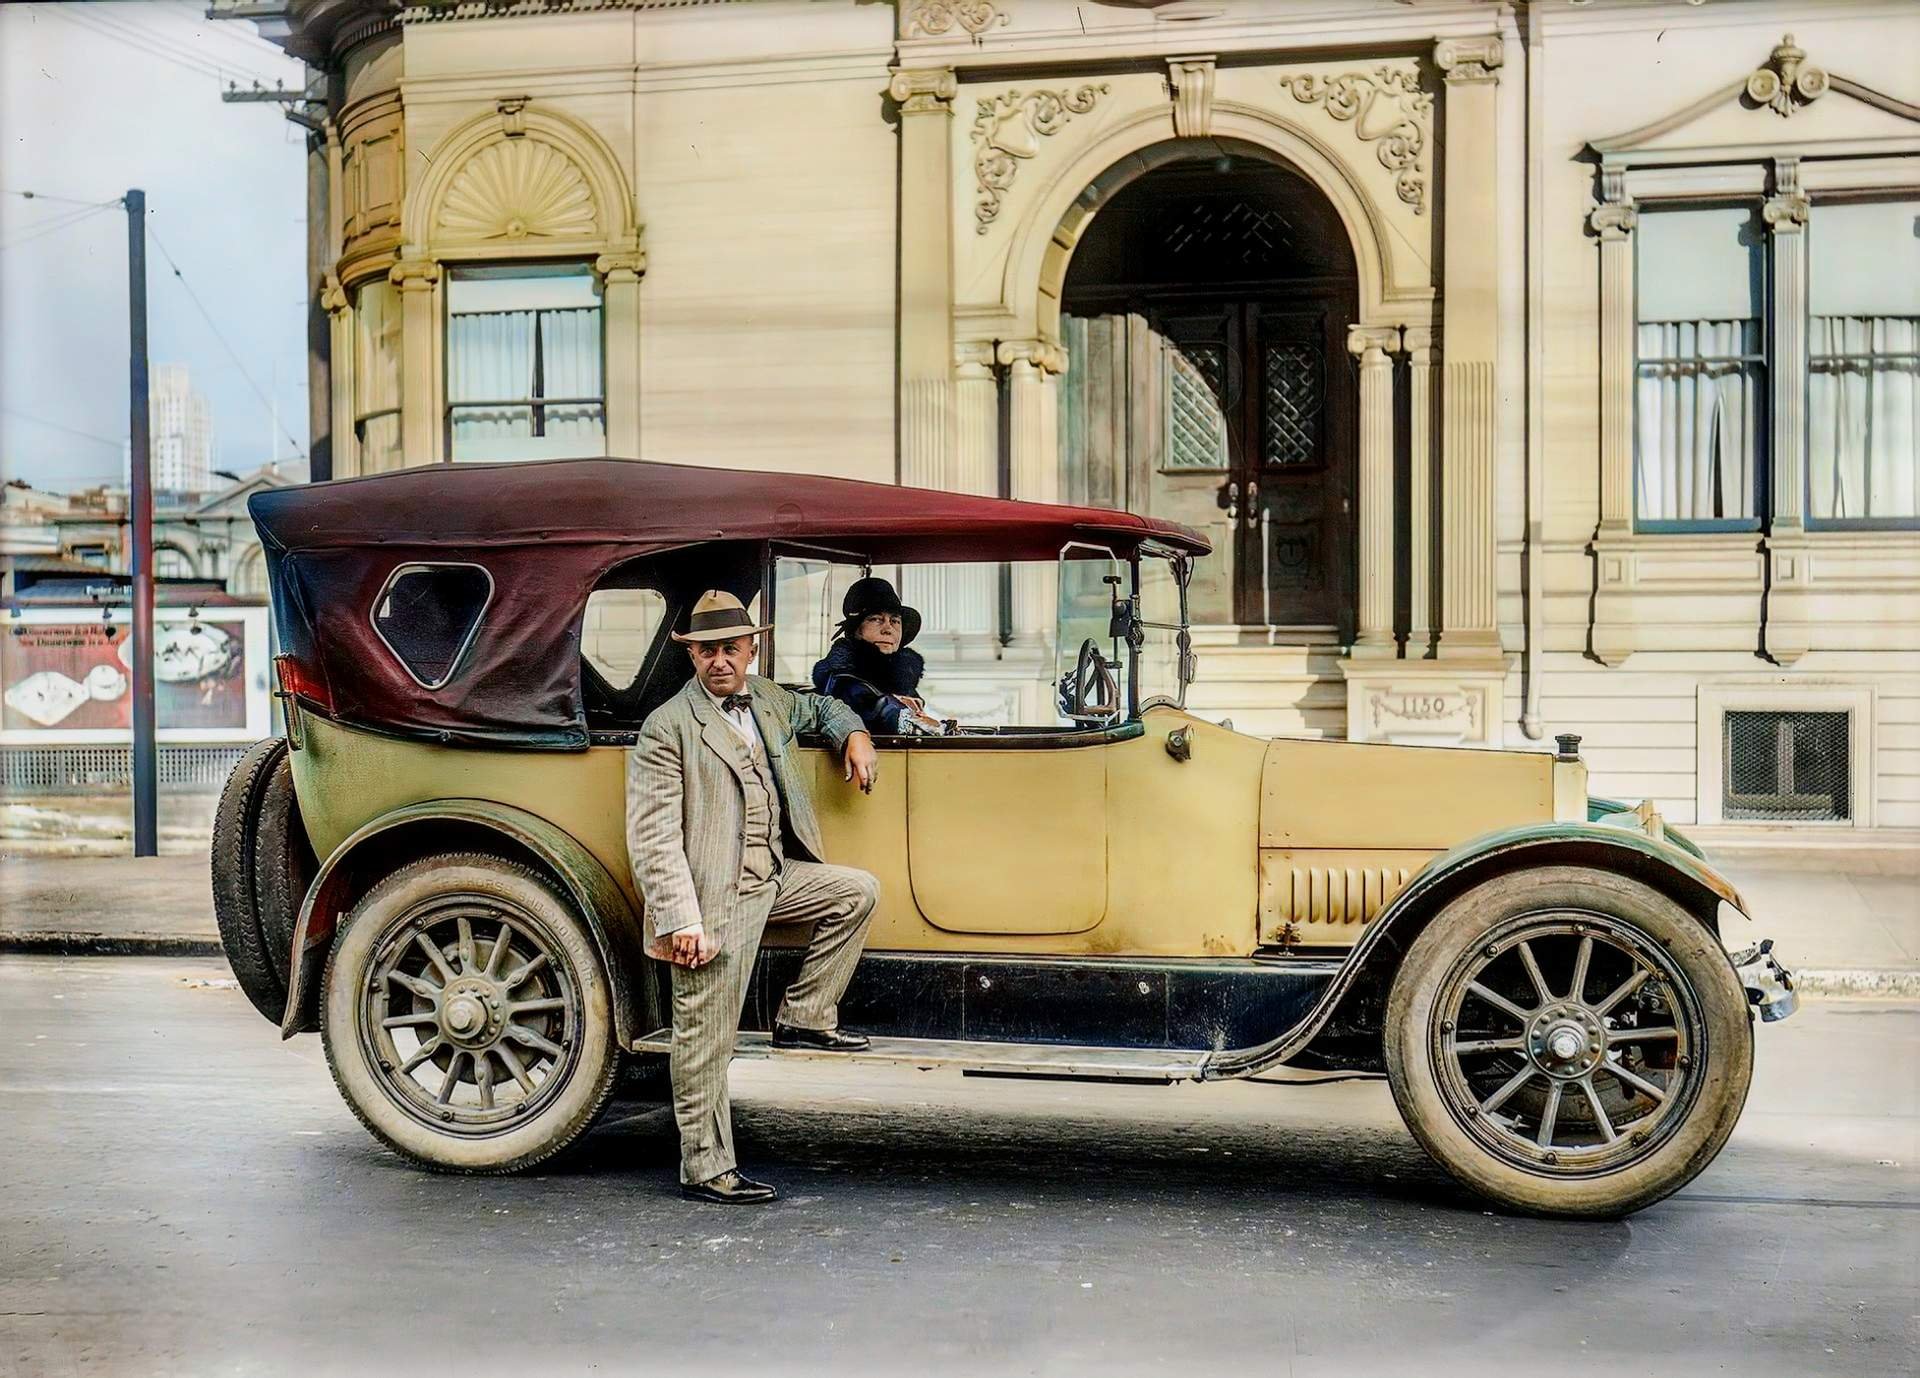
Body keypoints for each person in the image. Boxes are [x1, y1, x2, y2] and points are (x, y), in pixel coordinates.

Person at [625, 589, 881, 1206]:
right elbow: (652, 836)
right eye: (707, 650)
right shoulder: (668, 727)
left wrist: (856, 734)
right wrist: (681, 920)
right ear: (692, 656)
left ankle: (804, 1017)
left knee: (855, 892)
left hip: (774, 877)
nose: (720, 661)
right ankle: (705, 1166)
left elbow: (821, 707)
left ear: (750, 649)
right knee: (706, 1036)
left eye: (730, 648)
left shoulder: (765, 698)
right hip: (715, 899)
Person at [811, 576, 930, 735]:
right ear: (856, 630)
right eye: (876, 619)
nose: (888, 629)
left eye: (895, 621)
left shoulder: (899, 680)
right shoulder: (842, 680)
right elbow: (873, 711)